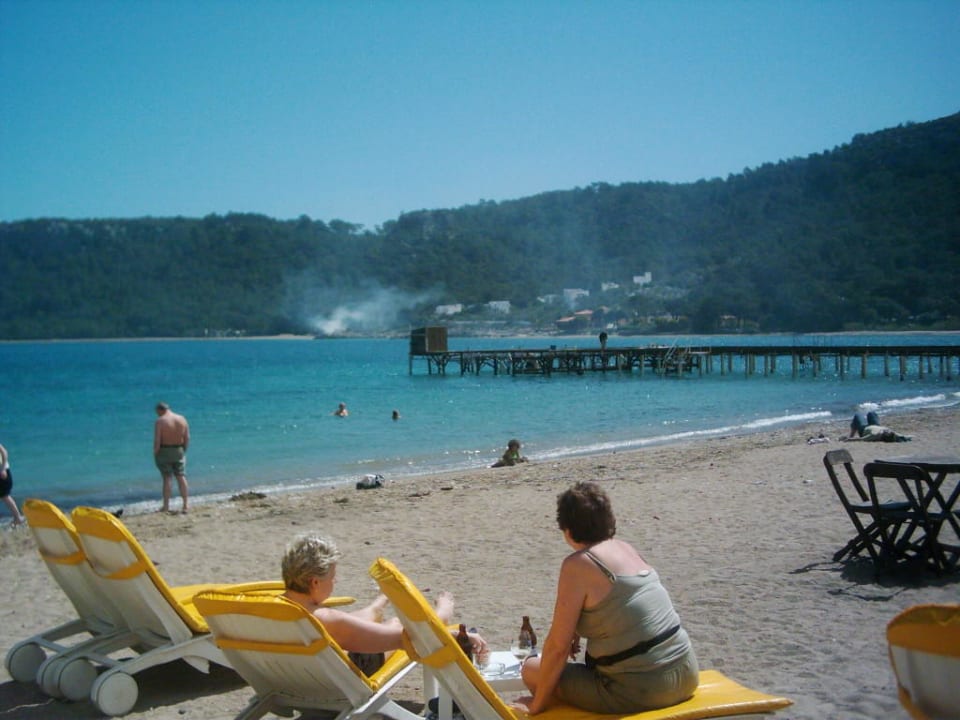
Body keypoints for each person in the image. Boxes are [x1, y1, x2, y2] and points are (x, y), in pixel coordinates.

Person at [517, 481, 698, 715]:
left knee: (531, 669)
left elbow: (557, 648)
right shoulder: (625, 548)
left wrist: (536, 705)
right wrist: (577, 630)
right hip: (686, 673)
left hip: (642, 689)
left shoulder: (579, 564)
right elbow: (621, 608)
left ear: (567, 530)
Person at [280, 534, 487, 674]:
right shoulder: (326, 619)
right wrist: (455, 629)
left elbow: (341, 626)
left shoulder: (276, 607)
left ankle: (377, 605)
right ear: (315, 582)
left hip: (300, 677)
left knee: (354, 622)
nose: (336, 581)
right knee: (396, 623)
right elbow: (410, 639)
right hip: (346, 675)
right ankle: (439, 613)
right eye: (332, 577)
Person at [154, 402, 190, 513]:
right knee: (181, 476)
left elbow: (157, 440)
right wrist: (183, 450)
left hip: (165, 450)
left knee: (167, 477)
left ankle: (166, 506)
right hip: (179, 449)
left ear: (160, 410)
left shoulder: (160, 421)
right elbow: (187, 437)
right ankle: (185, 504)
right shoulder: (182, 419)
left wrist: (155, 452)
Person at [0, 443, 26, 527]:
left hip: (2, 472)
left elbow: (4, 452)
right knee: (4, 496)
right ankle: (17, 518)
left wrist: (2, 468)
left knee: (4, 496)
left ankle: (18, 518)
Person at [843, 411, 912, 443]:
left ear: (883, 434)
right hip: (875, 425)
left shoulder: (875, 435)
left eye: (886, 432)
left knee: (858, 415)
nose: (887, 430)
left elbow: (861, 439)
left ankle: (851, 434)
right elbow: (901, 436)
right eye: (888, 431)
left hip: (864, 429)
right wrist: (907, 437)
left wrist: (849, 439)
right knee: (872, 413)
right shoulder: (891, 433)